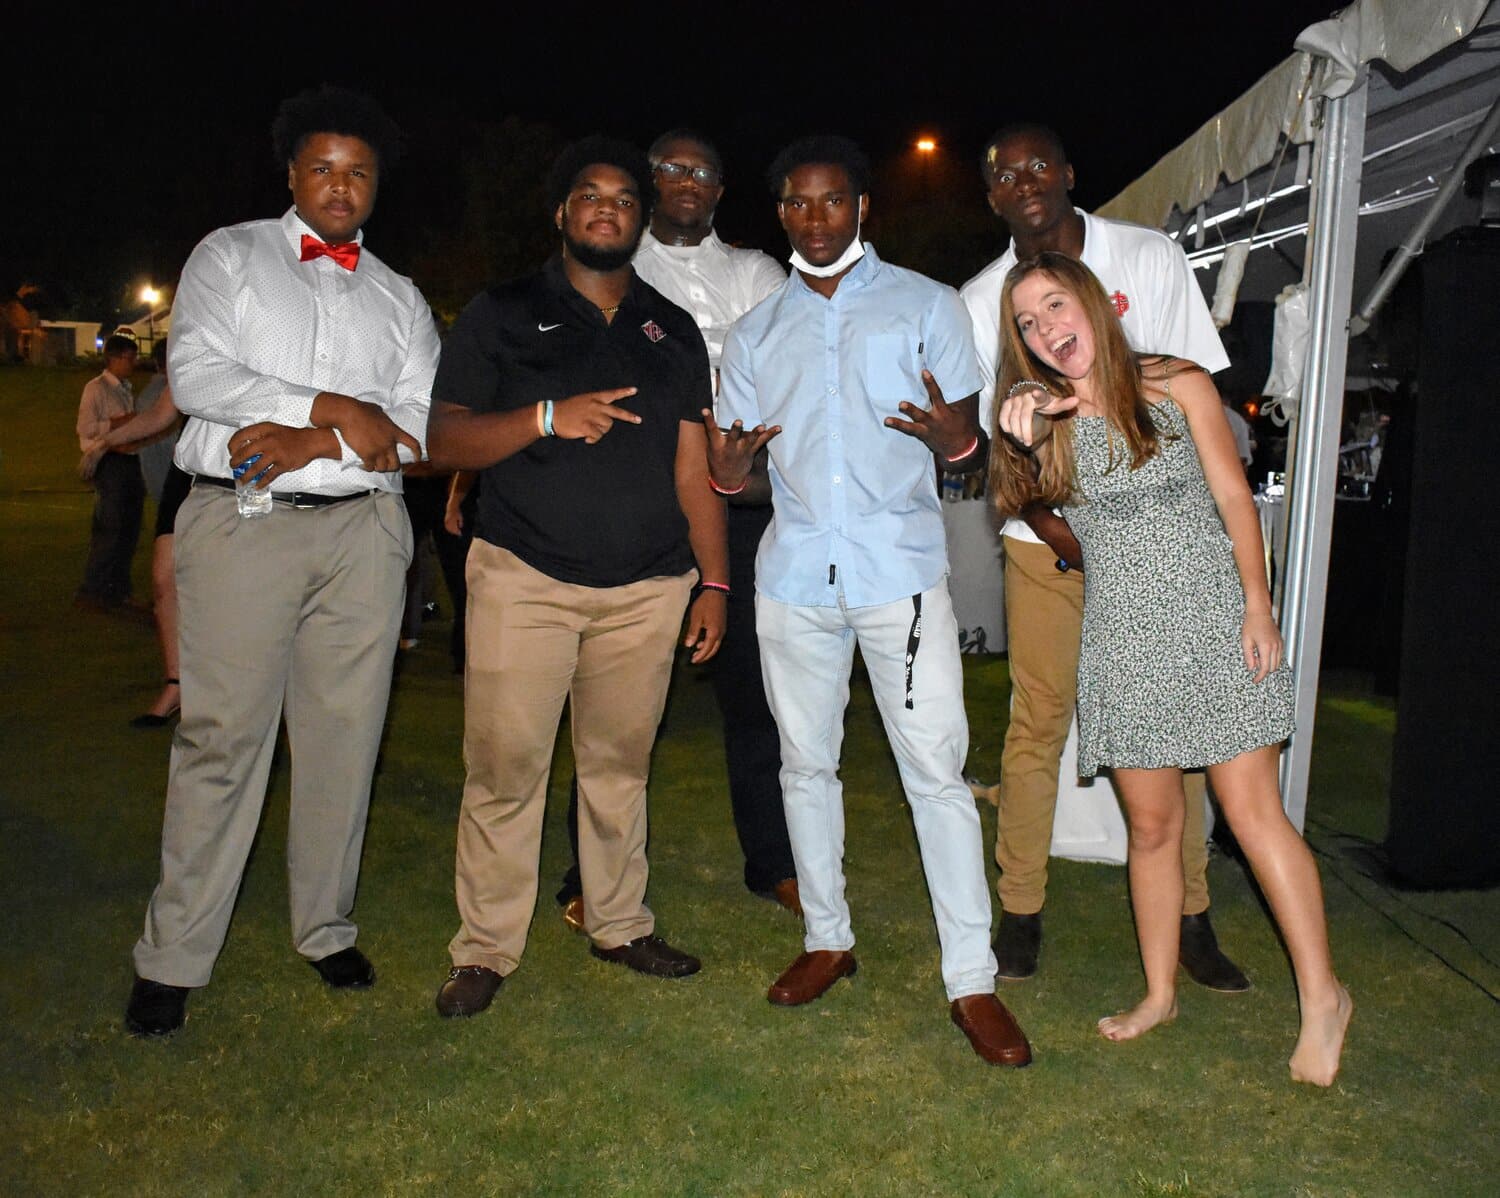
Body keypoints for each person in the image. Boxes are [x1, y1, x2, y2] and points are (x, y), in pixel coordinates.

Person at [993, 252, 1351, 1085]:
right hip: (1121, 635)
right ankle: (1159, 993)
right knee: (1151, 829)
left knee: (1250, 813)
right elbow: (1020, 500)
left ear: (1092, 302)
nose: (1047, 329)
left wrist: (1258, 607)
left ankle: (1324, 998)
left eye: (1055, 306)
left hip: (1213, 620)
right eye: (1027, 324)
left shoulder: (1178, 382)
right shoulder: (1044, 414)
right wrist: (1024, 433)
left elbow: (1234, 498)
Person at [710, 136, 1029, 1066]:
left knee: (936, 774)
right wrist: (730, 473)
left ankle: (971, 980)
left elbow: (969, 443)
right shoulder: (756, 332)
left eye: (832, 200)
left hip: (901, 573)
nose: (815, 217)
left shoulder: (926, 307)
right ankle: (825, 939)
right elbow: (739, 465)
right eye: (798, 204)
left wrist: (954, 440)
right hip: (796, 576)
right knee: (804, 767)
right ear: (781, 214)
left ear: (860, 207)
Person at [125, 86, 437, 1036]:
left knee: (346, 741)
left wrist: (317, 444)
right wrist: (338, 408)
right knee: (223, 741)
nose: (340, 187)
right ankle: (175, 954)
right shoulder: (229, 256)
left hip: (364, 536)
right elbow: (199, 376)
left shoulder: (401, 297)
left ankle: (326, 928)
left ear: (375, 187)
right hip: (243, 520)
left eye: (358, 173)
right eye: (323, 169)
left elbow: (416, 433)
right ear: (292, 175)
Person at [426, 136, 728, 1020]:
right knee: (505, 770)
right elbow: (445, 441)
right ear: (562, 213)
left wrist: (714, 582)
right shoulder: (502, 312)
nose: (607, 207)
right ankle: (484, 949)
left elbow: (691, 466)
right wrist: (546, 417)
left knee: (619, 768)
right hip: (526, 578)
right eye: (588, 195)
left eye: (625, 198)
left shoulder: (669, 329)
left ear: (642, 219)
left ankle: (619, 922)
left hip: (648, 590)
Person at [960, 123, 1247, 989]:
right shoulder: (980, 297)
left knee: (1182, 722)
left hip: (1161, 549)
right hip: (1047, 544)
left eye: (1038, 165)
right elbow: (999, 445)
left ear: (1071, 171)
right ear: (992, 197)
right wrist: (1070, 538)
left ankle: (1193, 917)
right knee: (1037, 721)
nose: (1024, 181)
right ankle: (1019, 911)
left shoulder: (1148, 256)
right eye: (1003, 174)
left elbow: (1193, 402)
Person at [553, 128, 795, 926]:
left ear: (721, 191)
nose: (689, 180)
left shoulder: (756, 272)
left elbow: (780, 376)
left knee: (757, 695)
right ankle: (586, 871)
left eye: (705, 172)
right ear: (651, 181)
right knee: (613, 704)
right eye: (673, 169)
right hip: (647, 501)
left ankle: (774, 863)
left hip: (746, 503)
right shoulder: (621, 263)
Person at [81, 362, 187, 726]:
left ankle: (252, 689)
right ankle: (176, 685)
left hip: (238, 472)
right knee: (163, 583)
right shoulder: (193, 337)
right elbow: (161, 412)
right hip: (190, 471)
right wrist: (104, 443)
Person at [75, 334, 143, 610]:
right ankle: (93, 589)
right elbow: (85, 428)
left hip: (129, 460)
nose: (133, 363)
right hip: (109, 462)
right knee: (110, 527)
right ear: (113, 358)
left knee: (130, 527)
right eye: (129, 358)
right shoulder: (96, 389)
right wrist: (117, 424)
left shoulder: (126, 388)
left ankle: (118, 588)